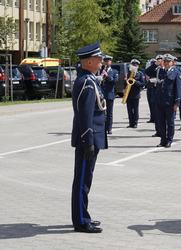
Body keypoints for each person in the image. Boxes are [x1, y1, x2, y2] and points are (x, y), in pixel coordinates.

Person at [71, 42, 107, 233]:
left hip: (92, 137)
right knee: (82, 181)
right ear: (90, 61)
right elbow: (84, 115)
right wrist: (88, 141)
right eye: (99, 59)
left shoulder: (90, 79)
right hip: (88, 139)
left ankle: (84, 215)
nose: (101, 61)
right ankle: (81, 220)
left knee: (86, 180)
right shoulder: (86, 82)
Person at [156, 54, 181, 148]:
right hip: (160, 100)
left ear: (172, 62)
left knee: (170, 122)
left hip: (170, 101)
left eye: (168, 62)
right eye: (165, 61)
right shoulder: (161, 71)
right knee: (161, 122)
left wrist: (177, 103)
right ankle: (163, 140)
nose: (166, 63)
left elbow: (178, 88)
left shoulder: (176, 72)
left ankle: (169, 140)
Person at [99, 55, 118, 134]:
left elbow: (114, 81)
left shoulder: (114, 71)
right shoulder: (100, 70)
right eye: (105, 61)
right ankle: (102, 128)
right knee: (102, 112)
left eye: (108, 61)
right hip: (101, 95)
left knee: (109, 113)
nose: (107, 63)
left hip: (110, 94)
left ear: (111, 62)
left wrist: (107, 76)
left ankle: (109, 128)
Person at [125, 59, 145, 128]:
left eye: (135, 65)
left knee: (135, 109)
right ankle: (131, 123)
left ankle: (135, 122)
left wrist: (134, 81)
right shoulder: (128, 73)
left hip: (136, 94)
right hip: (128, 93)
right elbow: (126, 83)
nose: (134, 66)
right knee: (129, 109)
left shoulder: (140, 73)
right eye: (133, 65)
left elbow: (142, 84)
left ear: (137, 66)